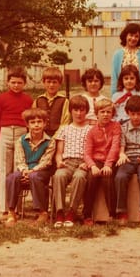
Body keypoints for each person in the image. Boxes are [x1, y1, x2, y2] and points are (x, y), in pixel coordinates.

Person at [5, 108, 55, 227]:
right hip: (25, 170)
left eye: (39, 122)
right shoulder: (21, 141)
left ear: (44, 123)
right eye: (33, 122)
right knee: (11, 177)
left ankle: (42, 212)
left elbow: (46, 161)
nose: (36, 125)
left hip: (42, 171)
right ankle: (11, 212)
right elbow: (19, 159)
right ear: (27, 124)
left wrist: (32, 171)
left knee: (35, 177)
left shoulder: (50, 141)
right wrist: (24, 171)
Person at [0, 66, 33, 215]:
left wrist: (26, 138)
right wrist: (1, 136)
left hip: (21, 134)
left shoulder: (28, 99)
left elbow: (30, 119)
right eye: (13, 82)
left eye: (19, 83)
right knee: (5, 170)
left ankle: (16, 208)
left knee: (18, 171)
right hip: (6, 133)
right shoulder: (1, 98)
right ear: (8, 82)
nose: (16, 85)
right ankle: (4, 208)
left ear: (24, 84)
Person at [114, 95, 140, 226]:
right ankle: (122, 211)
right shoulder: (123, 128)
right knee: (120, 177)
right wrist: (122, 155)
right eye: (133, 114)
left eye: (139, 114)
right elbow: (121, 148)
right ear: (127, 113)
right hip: (128, 158)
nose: (136, 117)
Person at [52, 95, 91, 228]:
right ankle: (59, 211)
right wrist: (59, 162)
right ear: (71, 111)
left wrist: (87, 163)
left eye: (82, 110)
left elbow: (91, 151)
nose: (79, 113)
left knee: (79, 177)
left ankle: (72, 212)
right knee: (59, 175)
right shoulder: (64, 129)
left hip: (82, 162)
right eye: (76, 110)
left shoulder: (90, 129)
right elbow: (58, 153)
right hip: (67, 162)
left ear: (86, 111)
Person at [83, 99, 121, 225]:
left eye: (108, 112)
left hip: (110, 160)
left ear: (112, 114)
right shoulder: (92, 131)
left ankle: (112, 214)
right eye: (102, 112)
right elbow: (87, 153)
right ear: (97, 114)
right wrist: (92, 165)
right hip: (96, 160)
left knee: (107, 177)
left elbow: (115, 146)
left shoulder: (115, 126)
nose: (105, 114)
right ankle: (87, 214)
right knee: (91, 178)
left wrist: (108, 165)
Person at [111, 22, 140, 96]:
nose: (133, 38)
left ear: (139, 38)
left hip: (139, 94)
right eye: (131, 35)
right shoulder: (117, 54)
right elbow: (114, 77)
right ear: (125, 36)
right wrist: (114, 94)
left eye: (136, 36)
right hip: (122, 94)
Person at [33, 66, 70, 137]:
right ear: (43, 82)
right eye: (48, 82)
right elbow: (34, 120)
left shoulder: (64, 101)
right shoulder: (38, 100)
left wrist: (55, 137)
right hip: (41, 136)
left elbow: (65, 122)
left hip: (59, 136)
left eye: (54, 82)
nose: (51, 85)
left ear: (59, 84)